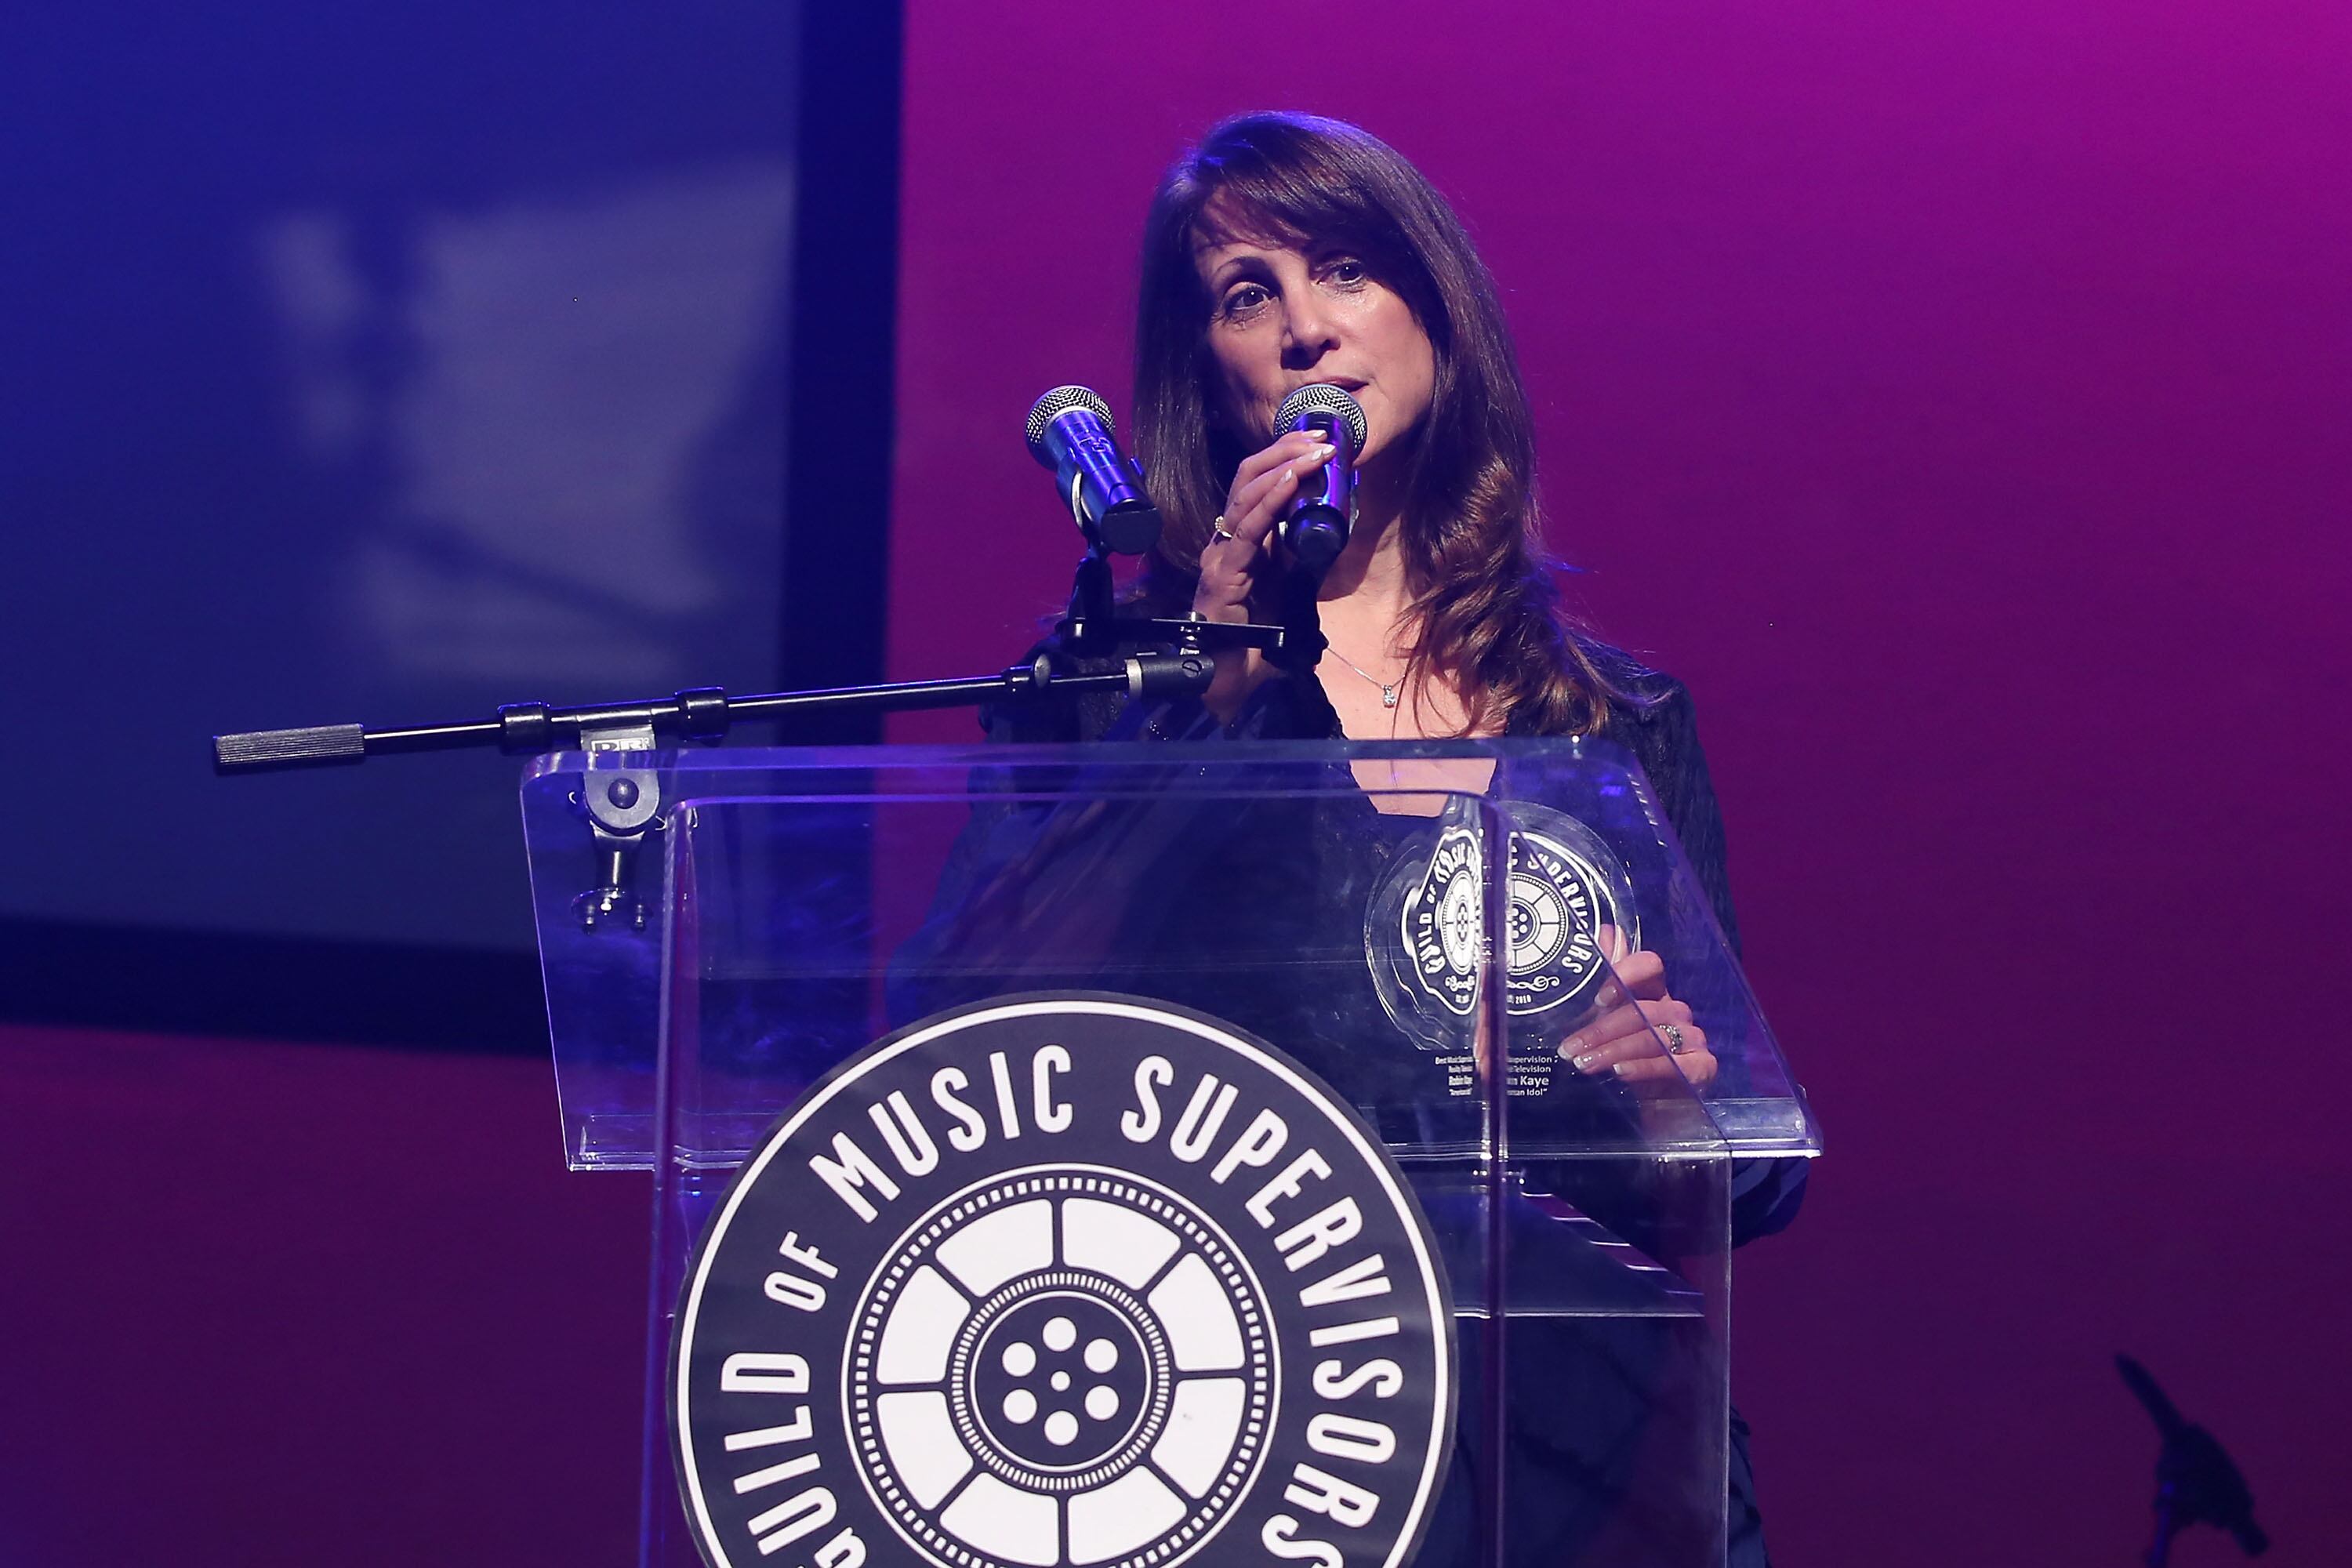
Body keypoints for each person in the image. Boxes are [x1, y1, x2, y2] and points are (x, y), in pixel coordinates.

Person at [902, 111, 1805, 1566]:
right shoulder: (1115, 690)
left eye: (1345, 272)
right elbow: (954, 1024)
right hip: (1246, 1434)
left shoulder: (1612, 720)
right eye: (1249, 295)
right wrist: (1206, 693)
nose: (1310, 329)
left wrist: (1666, 1103)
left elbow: (1750, 1176)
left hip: (1582, 1452)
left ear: (1436, 310)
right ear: (1214, 371)